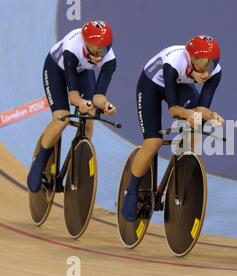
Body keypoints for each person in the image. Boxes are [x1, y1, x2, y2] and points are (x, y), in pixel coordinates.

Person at [121, 35, 224, 221]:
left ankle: (183, 169)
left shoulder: (215, 73)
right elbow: (174, 110)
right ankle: (131, 191)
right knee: (153, 143)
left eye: (210, 65)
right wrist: (192, 115)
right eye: (200, 66)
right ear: (190, 59)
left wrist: (208, 115)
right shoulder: (173, 64)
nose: (205, 73)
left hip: (180, 85)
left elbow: (201, 110)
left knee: (196, 127)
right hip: (151, 85)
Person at [27, 20, 117, 193]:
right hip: (56, 70)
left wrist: (106, 105)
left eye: (102, 50)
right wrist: (81, 102)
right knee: (61, 118)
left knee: (90, 117)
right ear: (84, 42)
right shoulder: (71, 48)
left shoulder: (110, 60)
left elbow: (98, 96)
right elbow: (73, 95)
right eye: (93, 48)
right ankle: (40, 160)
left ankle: (79, 163)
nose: (98, 55)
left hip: (82, 71)